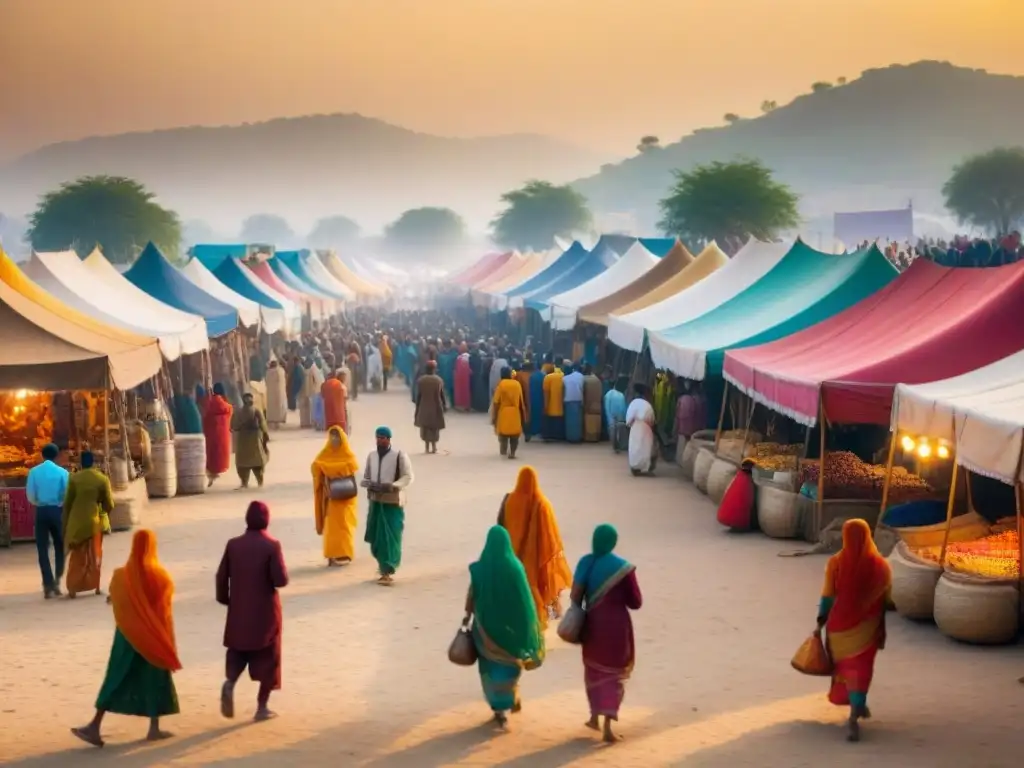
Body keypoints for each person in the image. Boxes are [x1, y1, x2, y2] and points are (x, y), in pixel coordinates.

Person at [71, 530, 182, 747]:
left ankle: (94, 725)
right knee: (155, 678)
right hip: (153, 638)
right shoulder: (162, 578)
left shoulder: (122, 576)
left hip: (127, 636)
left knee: (116, 677)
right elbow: (164, 609)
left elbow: (115, 599)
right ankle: (154, 728)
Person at [817, 519, 892, 742]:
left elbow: (828, 596)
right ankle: (856, 709)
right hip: (867, 628)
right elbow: (887, 600)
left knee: (844, 666)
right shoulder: (881, 566)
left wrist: (820, 620)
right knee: (861, 668)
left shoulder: (836, 563)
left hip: (839, 627)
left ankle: (855, 704)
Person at [464, 526, 545, 728]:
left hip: (485, 632)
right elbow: (524, 600)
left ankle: (498, 708)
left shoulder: (479, 569)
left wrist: (467, 615)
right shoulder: (515, 568)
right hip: (511, 631)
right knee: (509, 665)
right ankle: (510, 696)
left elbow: (471, 597)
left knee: (489, 668)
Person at [217, 501, 289, 722]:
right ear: (266, 519)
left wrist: (227, 600)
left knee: (239, 651)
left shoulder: (233, 544)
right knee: (269, 656)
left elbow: (221, 577)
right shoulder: (271, 545)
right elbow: (281, 580)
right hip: (265, 613)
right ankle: (262, 706)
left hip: (238, 611)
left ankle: (230, 682)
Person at [571, 524, 642, 743]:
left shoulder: (585, 562)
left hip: (592, 626)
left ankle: (594, 716)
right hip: (617, 628)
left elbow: (575, 596)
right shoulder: (623, 568)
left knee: (594, 669)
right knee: (614, 672)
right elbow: (636, 602)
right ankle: (608, 726)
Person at [497, 467, 571, 627]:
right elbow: (551, 537)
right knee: (533, 585)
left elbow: (500, 525)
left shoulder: (508, 500)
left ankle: (515, 620)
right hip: (534, 557)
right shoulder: (543, 504)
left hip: (512, 555)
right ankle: (536, 621)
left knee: (515, 587)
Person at [361, 427, 414, 585]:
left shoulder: (399, 456)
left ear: (389, 440)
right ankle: (382, 565)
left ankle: (387, 569)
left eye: (383, 438)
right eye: (378, 437)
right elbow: (366, 476)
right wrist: (369, 484)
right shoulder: (372, 456)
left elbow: (408, 477)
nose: (380, 440)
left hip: (392, 501)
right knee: (377, 536)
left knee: (390, 536)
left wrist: (393, 485)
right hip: (376, 501)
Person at [63, 451, 113, 598]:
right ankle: (96, 587)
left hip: (77, 523)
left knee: (77, 558)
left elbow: (68, 503)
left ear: (80, 463)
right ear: (93, 463)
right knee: (95, 555)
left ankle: (72, 589)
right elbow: (109, 504)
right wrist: (102, 513)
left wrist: (65, 524)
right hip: (94, 523)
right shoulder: (102, 479)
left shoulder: (74, 479)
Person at [312, 426, 360, 566]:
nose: (334, 440)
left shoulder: (348, 454)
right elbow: (315, 467)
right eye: (331, 437)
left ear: (342, 439)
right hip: (331, 498)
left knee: (346, 525)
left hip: (346, 498)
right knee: (332, 527)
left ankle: (346, 553)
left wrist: (327, 468)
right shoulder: (324, 454)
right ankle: (332, 555)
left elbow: (352, 465)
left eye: (337, 437)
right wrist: (325, 468)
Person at [26, 442, 68, 599]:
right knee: (59, 546)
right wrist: (59, 503)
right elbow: (66, 493)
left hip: (41, 511)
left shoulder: (34, 472)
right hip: (57, 511)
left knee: (42, 548)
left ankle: (47, 583)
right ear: (57, 455)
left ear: (42, 455)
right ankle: (57, 580)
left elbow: (30, 495)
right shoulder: (62, 472)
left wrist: (38, 503)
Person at [231, 392, 270, 489]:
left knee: (242, 464)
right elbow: (263, 426)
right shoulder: (257, 411)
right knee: (258, 463)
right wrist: (266, 436)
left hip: (243, 440)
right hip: (255, 440)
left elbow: (233, 426)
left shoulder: (238, 412)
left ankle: (244, 482)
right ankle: (260, 482)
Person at [491, 367, 527, 459]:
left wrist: (494, 416)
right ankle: (513, 453)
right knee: (515, 435)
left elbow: (496, 402)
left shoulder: (501, 385)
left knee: (503, 435)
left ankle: (503, 452)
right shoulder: (517, 384)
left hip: (503, 413)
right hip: (515, 413)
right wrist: (524, 416)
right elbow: (521, 401)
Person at [203, 383, 233, 488]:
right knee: (220, 455)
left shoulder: (208, 403)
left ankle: (211, 474)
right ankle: (215, 473)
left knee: (211, 455)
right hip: (222, 435)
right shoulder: (226, 406)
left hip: (210, 435)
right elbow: (230, 412)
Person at [414, 360, 447, 454]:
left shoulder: (421, 380)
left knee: (425, 427)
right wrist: (444, 405)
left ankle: (427, 448)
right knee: (434, 427)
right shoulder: (438, 380)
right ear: (434, 369)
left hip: (424, 406)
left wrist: (417, 407)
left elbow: (419, 396)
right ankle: (434, 447)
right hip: (436, 406)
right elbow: (442, 395)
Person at [625, 383, 658, 476]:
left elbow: (628, 420)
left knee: (635, 448)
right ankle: (644, 469)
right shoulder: (647, 405)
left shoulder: (633, 403)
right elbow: (652, 419)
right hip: (646, 428)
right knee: (645, 448)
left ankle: (634, 467)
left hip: (635, 428)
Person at [542, 358, 566, 441]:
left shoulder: (548, 377)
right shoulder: (565, 377)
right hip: (562, 410)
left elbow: (546, 394)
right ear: (562, 364)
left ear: (554, 364)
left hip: (550, 410)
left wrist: (545, 407)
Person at [563, 364, 585, 443]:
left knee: (569, 421)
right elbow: (583, 389)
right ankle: (577, 437)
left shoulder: (565, 378)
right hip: (578, 400)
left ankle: (570, 437)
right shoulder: (582, 377)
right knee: (577, 421)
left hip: (568, 400)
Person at [321, 370, 348, 434]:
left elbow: (322, 395)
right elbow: (345, 399)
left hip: (330, 415)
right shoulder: (341, 386)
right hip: (340, 415)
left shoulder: (326, 384)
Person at [582, 364, 604, 443]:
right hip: (597, 405)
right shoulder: (597, 380)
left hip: (588, 405)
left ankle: (588, 437)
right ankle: (595, 437)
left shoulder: (584, 380)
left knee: (588, 422)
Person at [265, 359, 288, 429]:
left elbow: (266, 381)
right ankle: (279, 421)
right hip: (280, 392)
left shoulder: (268, 372)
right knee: (279, 406)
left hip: (270, 392)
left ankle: (273, 421)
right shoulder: (281, 371)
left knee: (272, 407)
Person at [527, 362, 545, 442]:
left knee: (533, 415)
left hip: (532, 398)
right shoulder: (543, 376)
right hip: (541, 398)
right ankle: (540, 432)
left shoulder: (531, 376)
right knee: (541, 415)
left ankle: (531, 432)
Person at [514, 362, 533, 441]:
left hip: (520, 398)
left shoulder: (518, 375)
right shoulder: (532, 375)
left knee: (522, 416)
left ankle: (523, 432)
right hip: (530, 399)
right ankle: (527, 433)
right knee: (528, 416)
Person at [454, 343, 472, 412]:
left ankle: (462, 405)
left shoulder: (459, 357)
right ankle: (467, 406)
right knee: (467, 391)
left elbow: (456, 368)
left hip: (460, 378)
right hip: (467, 378)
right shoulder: (468, 357)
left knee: (462, 391)